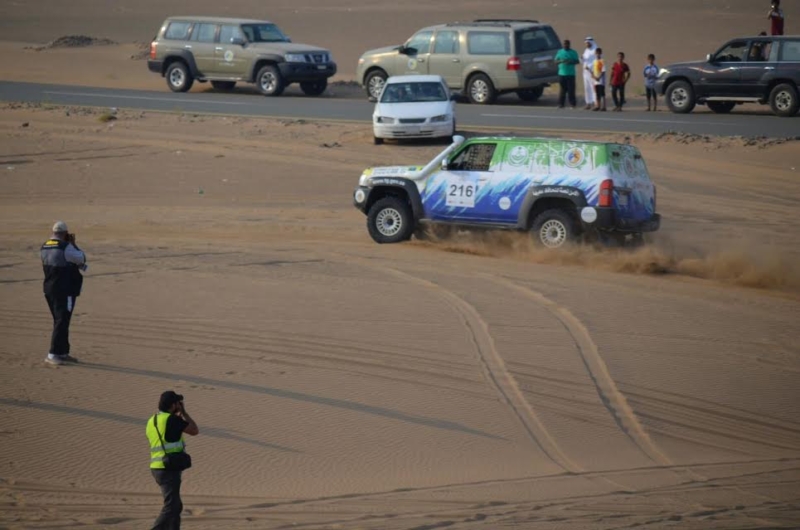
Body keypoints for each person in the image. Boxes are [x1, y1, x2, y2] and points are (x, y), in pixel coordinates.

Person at [147, 391, 199, 530]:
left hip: (156, 466)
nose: (179, 405)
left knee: (175, 505)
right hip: (168, 468)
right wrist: (184, 413)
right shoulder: (172, 420)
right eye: (177, 403)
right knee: (171, 505)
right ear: (173, 405)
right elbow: (194, 430)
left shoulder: (152, 420)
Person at [41, 221, 87, 366]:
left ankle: (63, 352)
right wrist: (73, 244)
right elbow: (81, 258)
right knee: (62, 321)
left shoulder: (44, 246)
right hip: (64, 289)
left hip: (49, 288)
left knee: (60, 320)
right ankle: (53, 354)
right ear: (65, 233)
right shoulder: (66, 247)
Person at [554, 39, 580, 108]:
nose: (565, 45)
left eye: (566, 44)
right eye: (564, 44)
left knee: (571, 90)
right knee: (562, 90)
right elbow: (555, 61)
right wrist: (561, 61)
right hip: (562, 74)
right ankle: (561, 104)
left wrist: (570, 62)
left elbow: (577, 61)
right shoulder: (559, 52)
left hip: (571, 74)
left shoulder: (573, 52)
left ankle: (572, 104)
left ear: (569, 44)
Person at [582, 36, 599, 110]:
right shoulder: (586, 50)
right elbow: (584, 60)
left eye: (588, 43)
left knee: (593, 88)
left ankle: (596, 104)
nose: (587, 44)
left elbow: (596, 61)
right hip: (585, 72)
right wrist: (581, 58)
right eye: (586, 43)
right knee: (587, 88)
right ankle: (588, 103)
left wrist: (591, 69)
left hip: (592, 72)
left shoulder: (595, 50)